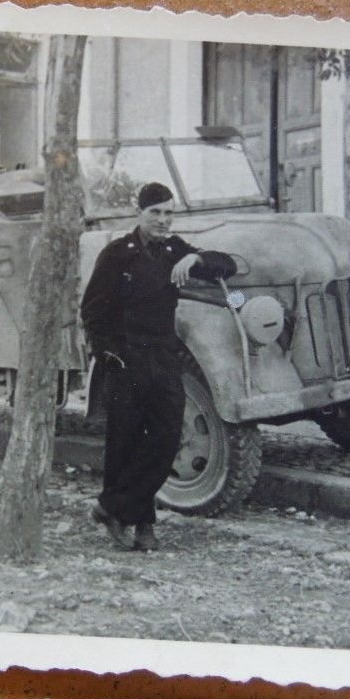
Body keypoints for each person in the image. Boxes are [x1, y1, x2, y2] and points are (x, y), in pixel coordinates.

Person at [80, 182, 237, 551]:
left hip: (165, 358)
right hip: (127, 360)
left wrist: (196, 260)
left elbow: (227, 266)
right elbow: (92, 312)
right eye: (156, 212)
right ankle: (142, 525)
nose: (164, 220)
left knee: (165, 441)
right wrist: (110, 356)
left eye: (169, 213)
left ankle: (110, 508)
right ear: (140, 213)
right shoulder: (117, 254)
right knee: (126, 443)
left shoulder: (174, 250)